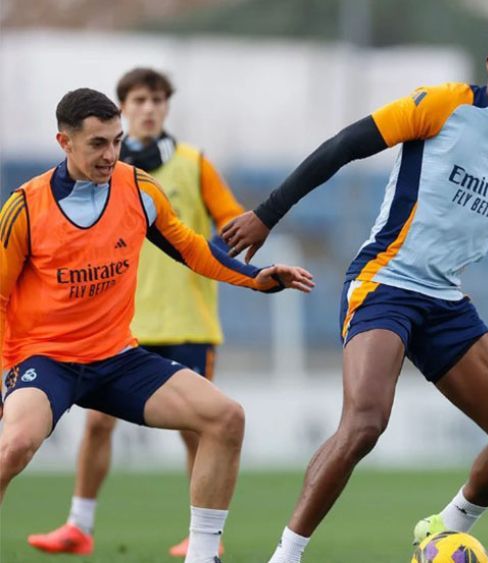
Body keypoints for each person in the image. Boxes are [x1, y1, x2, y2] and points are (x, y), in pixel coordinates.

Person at [221, 14, 488, 562]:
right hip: (385, 285)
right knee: (365, 423)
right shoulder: (441, 105)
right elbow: (344, 146)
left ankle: (441, 528)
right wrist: (267, 214)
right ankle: (286, 555)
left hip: (446, 302)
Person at [0, 88, 314, 563]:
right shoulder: (25, 208)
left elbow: (192, 247)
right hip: (46, 360)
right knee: (13, 448)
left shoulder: (139, 189)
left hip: (116, 357)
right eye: (97, 144)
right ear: (64, 142)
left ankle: (202, 556)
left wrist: (256, 277)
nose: (111, 155)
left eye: (116, 142)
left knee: (226, 418)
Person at [26, 68, 249, 559]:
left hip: (188, 317)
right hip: (122, 324)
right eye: (139, 100)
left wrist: (245, 264)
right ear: (123, 107)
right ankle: (79, 524)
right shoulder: (75, 184)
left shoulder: (191, 165)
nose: (149, 108)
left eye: (157, 100)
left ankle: (202, 537)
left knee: (202, 425)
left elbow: (233, 225)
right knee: (99, 424)